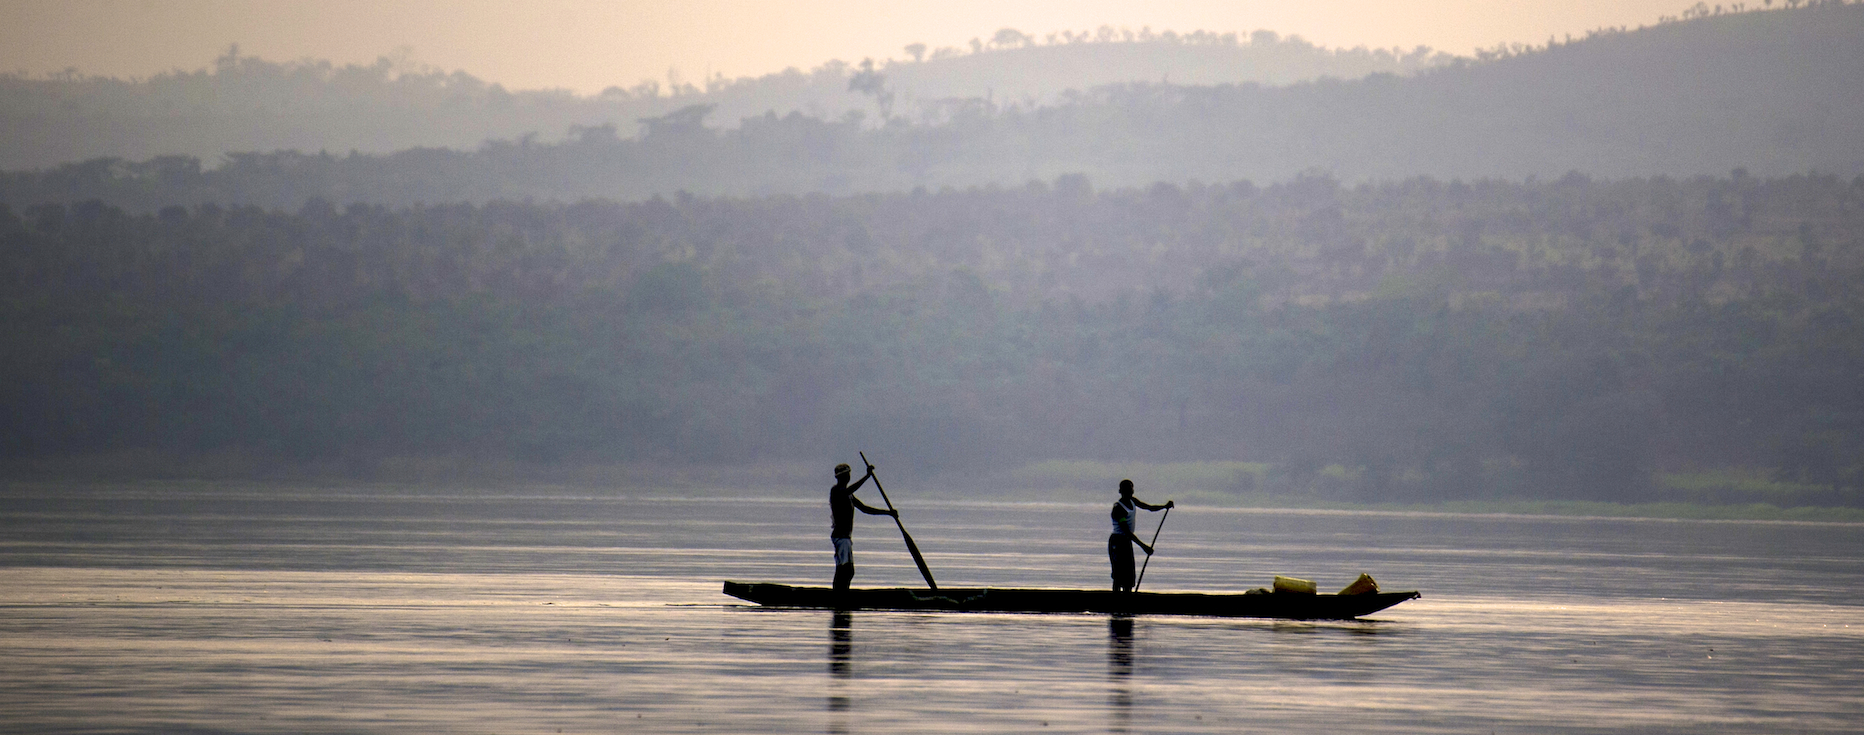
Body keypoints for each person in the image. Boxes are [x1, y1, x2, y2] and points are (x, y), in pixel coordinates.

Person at [830, 461, 895, 591]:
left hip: (846, 537)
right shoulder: (837, 491)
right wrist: (867, 476)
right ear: (839, 477)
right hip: (840, 537)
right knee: (846, 569)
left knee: (847, 570)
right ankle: (838, 595)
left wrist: (888, 513)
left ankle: (842, 592)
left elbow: (864, 508)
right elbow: (849, 489)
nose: (847, 477)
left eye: (848, 475)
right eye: (845, 475)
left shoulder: (849, 495)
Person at [1108, 479, 1172, 593]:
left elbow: (1149, 508)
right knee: (1118, 575)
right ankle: (1116, 601)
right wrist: (1144, 547)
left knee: (1128, 576)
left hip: (1126, 542)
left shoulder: (1133, 501)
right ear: (1120, 491)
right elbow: (1127, 532)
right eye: (1126, 490)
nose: (1129, 492)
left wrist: (1164, 506)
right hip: (1117, 543)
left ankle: (1127, 600)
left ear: (1133, 491)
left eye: (1130, 489)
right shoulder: (1118, 509)